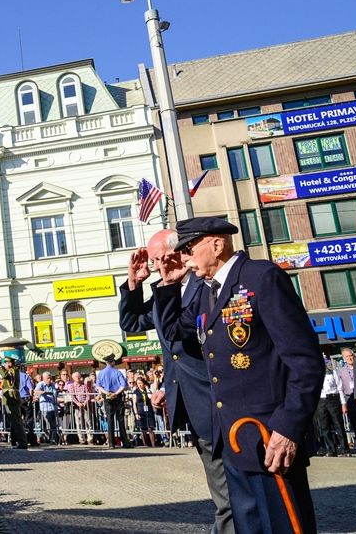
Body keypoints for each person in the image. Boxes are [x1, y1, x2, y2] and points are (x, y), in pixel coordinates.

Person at [158, 217, 323, 534]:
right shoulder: (208, 293)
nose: (185, 259)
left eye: (189, 250)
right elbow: (174, 333)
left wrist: (288, 428)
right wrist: (167, 283)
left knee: (284, 527)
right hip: (232, 442)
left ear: (216, 244)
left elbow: (305, 362)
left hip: (269, 438)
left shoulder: (261, 278)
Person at [120, 228, 236, 533]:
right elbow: (132, 323)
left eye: (160, 258)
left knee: (229, 482)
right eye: (154, 261)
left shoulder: (205, 284)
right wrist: (134, 283)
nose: (157, 265)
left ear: (178, 253)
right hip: (189, 400)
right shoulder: (162, 292)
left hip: (217, 395)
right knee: (219, 479)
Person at [336, 347, 356, 454]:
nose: (350, 358)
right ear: (343, 358)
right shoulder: (340, 371)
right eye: (347, 357)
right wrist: (343, 403)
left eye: (351, 356)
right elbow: (339, 387)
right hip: (350, 399)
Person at [95, 354, 130, 449]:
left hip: (107, 397)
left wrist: (108, 393)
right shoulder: (117, 372)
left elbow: (98, 386)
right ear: (113, 362)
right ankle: (125, 443)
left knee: (110, 420)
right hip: (117, 397)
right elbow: (123, 385)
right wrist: (116, 393)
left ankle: (111, 444)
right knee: (121, 420)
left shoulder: (101, 373)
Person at [0, 356, 29, 449]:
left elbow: (5, 376)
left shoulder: (13, 371)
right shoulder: (13, 370)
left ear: (9, 363)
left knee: (17, 422)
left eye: (6, 363)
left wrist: (0, 366)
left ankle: (22, 443)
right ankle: (18, 442)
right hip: (9, 398)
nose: (6, 365)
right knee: (15, 422)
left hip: (12, 398)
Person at [131, 376, 158, 448]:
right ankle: (145, 444)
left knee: (150, 428)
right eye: (138, 383)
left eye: (141, 383)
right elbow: (134, 403)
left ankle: (153, 445)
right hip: (140, 410)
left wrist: (147, 388)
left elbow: (150, 397)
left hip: (148, 410)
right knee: (143, 428)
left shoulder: (147, 390)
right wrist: (136, 413)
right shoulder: (136, 392)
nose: (140, 385)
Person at [68, 371, 92, 445]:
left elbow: (88, 395)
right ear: (73, 378)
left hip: (85, 406)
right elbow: (72, 396)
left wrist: (85, 402)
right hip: (77, 406)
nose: (78, 377)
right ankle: (81, 439)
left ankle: (90, 439)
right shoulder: (71, 386)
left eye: (79, 376)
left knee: (88, 422)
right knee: (79, 423)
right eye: (76, 376)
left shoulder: (84, 385)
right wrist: (77, 403)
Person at [35, 372, 59, 444]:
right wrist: (44, 392)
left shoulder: (53, 384)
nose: (49, 380)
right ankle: (47, 438)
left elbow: (55, 393)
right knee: (47, 424)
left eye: (50, 378)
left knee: (54, 424)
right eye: (48, 378)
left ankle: (53, 439)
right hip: (45, 408)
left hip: (53, 407)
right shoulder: (41, 384)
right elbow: (36, 391)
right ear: (44, 379)